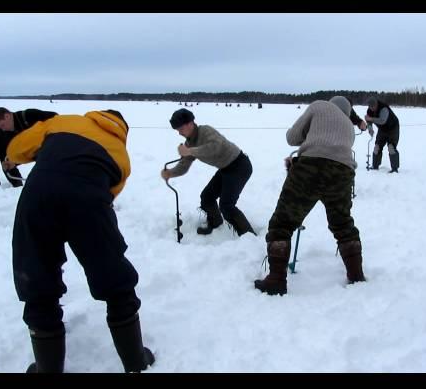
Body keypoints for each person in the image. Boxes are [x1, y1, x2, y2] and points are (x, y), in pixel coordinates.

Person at [6, 109, 154, 373]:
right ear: (123, 131)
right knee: (113, 276)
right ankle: (135, 361)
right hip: (89, 201)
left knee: (37, 276)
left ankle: (47, 368)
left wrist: (17, 157)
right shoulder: (121, 155)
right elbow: (110, 193)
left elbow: (18, 148)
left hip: (38, 196)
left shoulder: (65, 121)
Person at [254, 96, 365, 296]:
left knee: (282, 224)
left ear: (331, 103)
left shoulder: (320, 106)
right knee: (343, 225)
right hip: (343, 172)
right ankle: (356, 275)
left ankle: (276, 280)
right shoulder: (349, 128)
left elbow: (292, 138)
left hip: (310, 168)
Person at [160, 108, 255, 236]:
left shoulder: (206, 131)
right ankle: (215, 224)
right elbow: (184, 165)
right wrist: (170, 173)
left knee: (227, 206)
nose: (179, 133)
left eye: (180, 129)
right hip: (225, 168)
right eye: (177, 130)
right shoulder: (189, 143)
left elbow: (215, 147)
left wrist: (190, 151)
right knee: (207, 197)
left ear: (190, 123)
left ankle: (248, 236)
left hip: (239, 165)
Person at [364, 96, 400, 172]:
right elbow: (369, 121)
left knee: (391, 147)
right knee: (377, 147)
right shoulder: (369, 110)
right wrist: (370, 129)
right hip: (382, 130)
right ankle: (375, 166)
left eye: (373, 106)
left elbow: (382, 120)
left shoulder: (383, 108)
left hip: (393, 128)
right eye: (370, 106)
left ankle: (394, 169)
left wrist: (370, 119)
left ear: (376, 104)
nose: (371, 108)